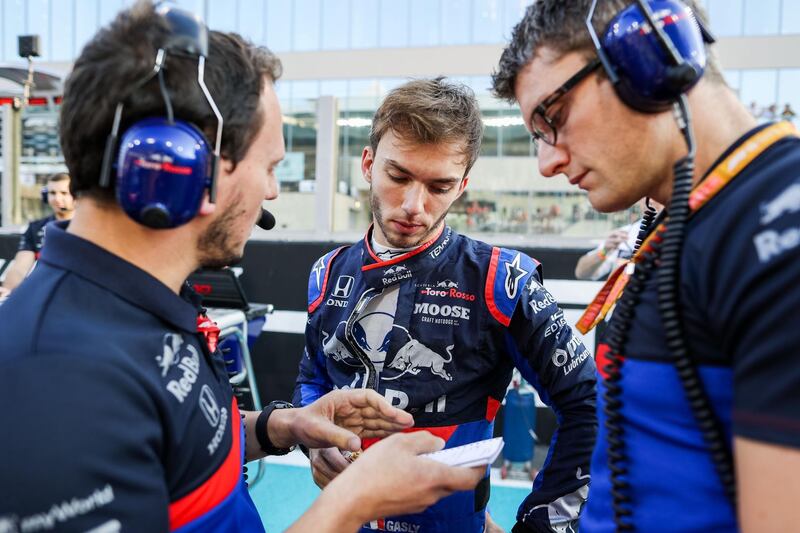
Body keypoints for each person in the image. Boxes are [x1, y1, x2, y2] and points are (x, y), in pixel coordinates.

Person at [0, 4, 485, 533]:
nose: (272, 192)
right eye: (271, 166)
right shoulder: (56, 374)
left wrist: (281, 427)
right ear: (184, 170)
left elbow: (178, 442)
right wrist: (356, 501)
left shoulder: (143, 302)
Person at [493, 0, 800, 531]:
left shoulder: (777, 227)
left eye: (555, 117)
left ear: (652, 57)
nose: (547, 162)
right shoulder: (694, 222)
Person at [293, 78, 597, 533]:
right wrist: (313, 440)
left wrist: (542, 525)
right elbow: (312, 378)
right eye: (398, 176)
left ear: (462, 187)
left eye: (439, 185)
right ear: (368, 164)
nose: (414, 204)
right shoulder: (328, 272)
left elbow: (589, 403)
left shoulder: (501, 279)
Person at [0, 172, 75, 294]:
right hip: (45, 293)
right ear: (45, 196)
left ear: (76, 195)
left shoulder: (88, 227)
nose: (57, 198)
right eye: (52, 193)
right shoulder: (36, 228)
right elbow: (20, 268)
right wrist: (8, 290)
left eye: (64, 193)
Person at [574, 199, 660, 281]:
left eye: (656, 195)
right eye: (647, 195)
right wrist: (604, 251)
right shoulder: (624, 233)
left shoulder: (670, 232)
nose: (651, 201)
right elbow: (581, 273)